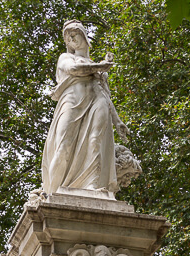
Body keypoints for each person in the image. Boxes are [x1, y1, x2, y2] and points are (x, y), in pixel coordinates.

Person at [41, 20, 129, 195]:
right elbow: (74, 69)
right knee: (63, 146)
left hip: (97, 102)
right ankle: (51, 193)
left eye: (75, 34)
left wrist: (117, 121)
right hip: (72, 101)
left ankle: (92, 184)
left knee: (95, 141)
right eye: (68, 37)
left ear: (83, 34)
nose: (72, 39)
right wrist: (99, 66)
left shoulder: (99, 69)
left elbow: (104, 93)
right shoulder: (66, 58)